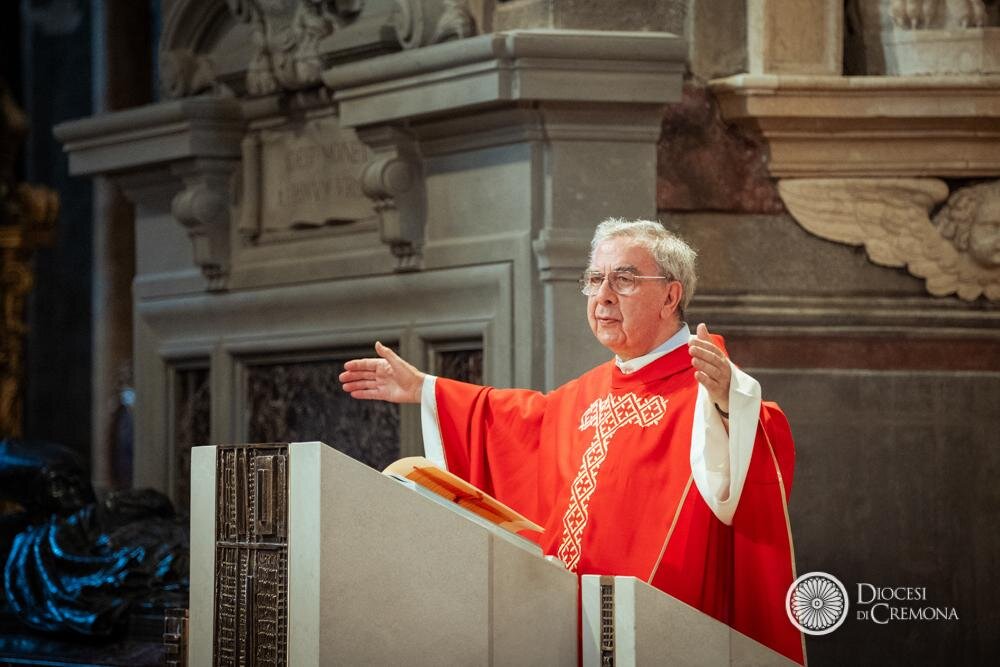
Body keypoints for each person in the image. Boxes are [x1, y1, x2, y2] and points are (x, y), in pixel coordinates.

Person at [339, 218, 804, 664]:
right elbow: (518, 422)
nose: (602, 297)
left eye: (623, 280)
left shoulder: (711, 387)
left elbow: (760, 440)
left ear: (670, 296)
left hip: (664, 637)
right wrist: (425, 389)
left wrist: (729, 405)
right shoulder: (585, 394)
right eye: (594, 279)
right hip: (571, 628)